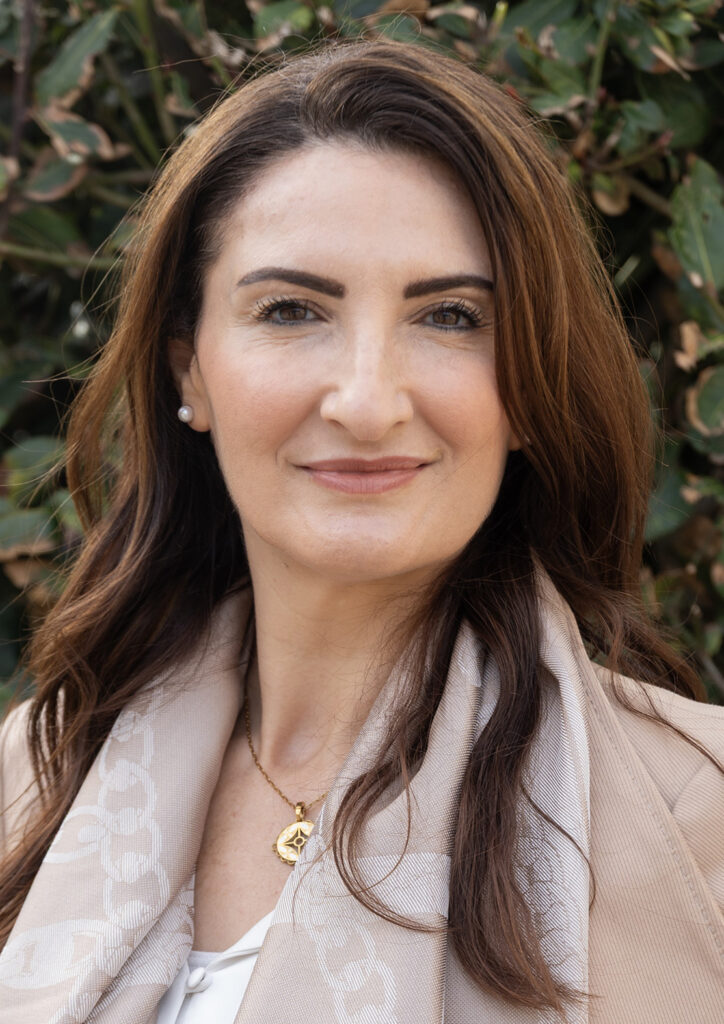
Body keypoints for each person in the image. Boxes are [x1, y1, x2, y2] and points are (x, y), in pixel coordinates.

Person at [0, 36, 722, 1024]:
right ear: (189, 369)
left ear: (529, 384)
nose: (368, 401)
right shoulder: (28, 783)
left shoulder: (692, 816)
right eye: (292, 310)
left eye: (451, 316)